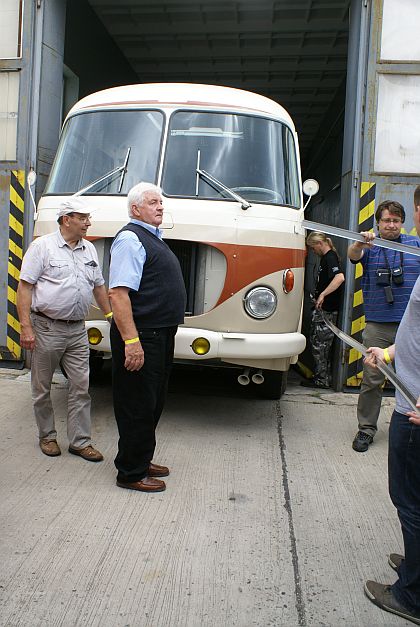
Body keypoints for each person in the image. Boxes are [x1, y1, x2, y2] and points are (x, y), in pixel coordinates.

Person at [362, 187, 420, 625]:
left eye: (408, 215)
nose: (398, 224)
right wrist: (389, 354)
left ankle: (412, 595)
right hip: (396, 360)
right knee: (413, 499)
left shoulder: (416, 250)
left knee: (409, 499)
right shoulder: (373, 244)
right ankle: (416, 566)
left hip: (414, 408)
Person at [16, 197, 112, 461]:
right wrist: (26, 327)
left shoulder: (90, 250)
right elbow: (25, 288)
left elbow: (99, 287)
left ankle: (80, 442)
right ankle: (47, 436)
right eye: (83, 218)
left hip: (77, 330)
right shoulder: (42, 247)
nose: (88, 223)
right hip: (47, 328)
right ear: (66, 219)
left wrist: (111, 315)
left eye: (88, 218)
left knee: (81, 386)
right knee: (42, 387)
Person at [108, 182, 186, 493]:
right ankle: (130, 473)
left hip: (160, 334)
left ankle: (140, 458)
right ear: (135, 208)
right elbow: (118, 294)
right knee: (137, 404)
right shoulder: (130, 239)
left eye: (161, 202)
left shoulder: (152, 239)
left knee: (152, 401)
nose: (160, 206)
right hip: (143, 335)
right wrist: (131, 341)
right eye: (153, 202)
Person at [347, 200, 420, 452]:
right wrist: (358, 244)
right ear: (378, 222)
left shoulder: (415, 245)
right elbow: (353, 256)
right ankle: (366, 429)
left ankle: (412, 427)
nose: (391, 225)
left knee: (413, 380)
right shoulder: (370, 245)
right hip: (378, 325)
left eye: (396, 221)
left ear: (403, 222)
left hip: (409, 327)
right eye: (387, 220)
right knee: (372, 378)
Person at [301, 231, 345, 389]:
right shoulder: (327, 258)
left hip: (327, 312)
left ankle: (322, 380)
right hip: (322, 310)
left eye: (313, 248)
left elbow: (339, 277)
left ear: (320, 244)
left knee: (321, 347)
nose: (314, 252)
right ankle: (320, 377)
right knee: (318, 345)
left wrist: (323, 295)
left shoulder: (330, 257)